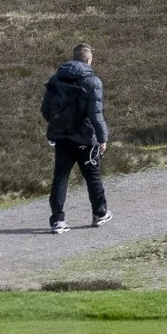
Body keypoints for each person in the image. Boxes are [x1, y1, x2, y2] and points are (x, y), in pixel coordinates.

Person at [42, 44, 109, 234]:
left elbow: (46, 110)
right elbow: (96, 115)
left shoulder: (55, 79)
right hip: (86, 139)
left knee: (60, 178)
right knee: (92, 176)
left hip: (62, 137)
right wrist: (102, 138)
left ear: (73, 58)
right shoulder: (93, 82)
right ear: (88, 60)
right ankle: (99, 214)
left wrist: (59, 125)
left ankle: (57, 220)